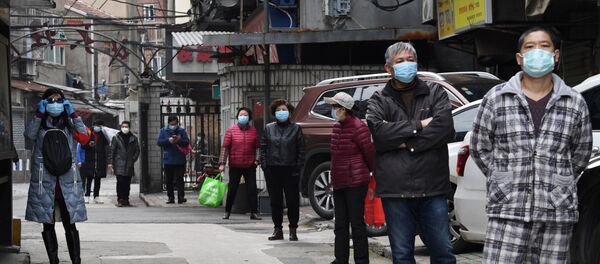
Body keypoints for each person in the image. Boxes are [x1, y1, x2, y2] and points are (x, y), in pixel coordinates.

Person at [471, 27, 593, 263]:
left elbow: (581, 154)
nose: (537, 51)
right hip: (508, 209)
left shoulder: (574, 101)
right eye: (530, 46)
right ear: (519, 58)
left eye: (544, 46)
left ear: (556, 55)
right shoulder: (497, 98)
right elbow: (480, 147)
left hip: (556, 211)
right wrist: (504, 177)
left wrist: (556, 179)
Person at [366, 42, 456, 263]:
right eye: (399, 61)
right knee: (402, 254)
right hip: (396, 191)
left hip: (432, 187)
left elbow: (444, 129)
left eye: (410, 60)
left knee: (443, 252)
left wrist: (406, 143)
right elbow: (379, 134)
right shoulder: (379, 99)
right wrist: (419, 125)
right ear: (388, 68)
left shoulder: (434, 92)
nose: (406, 65)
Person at [24, 88, 89, 264]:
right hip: (45, 182)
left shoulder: (68, 124)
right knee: (48, 223)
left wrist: (72, 112)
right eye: (50, 101)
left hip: (67, 182)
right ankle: (54, 261)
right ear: (44, 103)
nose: (55, 104)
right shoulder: (39, 125)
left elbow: (84, 136)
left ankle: (76, 260)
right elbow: (29, 135)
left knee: (70, 224)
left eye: (58, 100)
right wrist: (39, 113)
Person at [325, 92, 375, 264]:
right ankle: (341, 259)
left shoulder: (359, 126)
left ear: (343, 109)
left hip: (355, 181)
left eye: (334, 107)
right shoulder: (337, 127)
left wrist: (371, 172)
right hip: (339, 181)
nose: (332, 110)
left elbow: (369, 153)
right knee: (340, 224)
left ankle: (361, 260)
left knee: (357, 224)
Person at [260, 99, 305, 241]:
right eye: (278, 110)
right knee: (275, 201)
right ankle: (277, 229)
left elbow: (301, 150)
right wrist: (265, 166)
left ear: (289, 112)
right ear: (274, 113)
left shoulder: (296, 129)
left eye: (284, 110)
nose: (281, 112)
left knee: (292, 201)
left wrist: (298, 167)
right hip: (273, 170)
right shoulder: (268, 128)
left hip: (291, 170)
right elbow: (263, 148)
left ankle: (293, 230)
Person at [218, 107, 262, 220]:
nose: (243, 117)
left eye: (245, 115)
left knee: (252, 189)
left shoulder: (253, 131)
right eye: (241, 115)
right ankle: (227, 212)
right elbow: (225, 148)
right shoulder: (231, 130)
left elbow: (258, 148)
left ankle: (254, 212)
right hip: (235, 165)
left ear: (249, 118)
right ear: (237, 117)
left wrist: (257, 161)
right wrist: (222, 163)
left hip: (249, 165)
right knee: (232, 189)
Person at [157, 116, 190, 204]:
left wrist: (178, 140)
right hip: (168, 159)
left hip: (180, 158)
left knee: (180, 179)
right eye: (172, 124)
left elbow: (186, 142)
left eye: (175, 124)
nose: (173, 126)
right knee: (169, 180)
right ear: (168, 123)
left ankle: (181, 197)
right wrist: (168, 140)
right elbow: (159, 142)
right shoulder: (163, 131)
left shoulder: (181, 131)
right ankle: (170, 197)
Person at [109, 121, 140, 207]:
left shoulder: (134, 138)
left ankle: (126, 199)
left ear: (129, 128)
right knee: (120, 182)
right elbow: (112, 151)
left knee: (127, 183)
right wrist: (111, 163)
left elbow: (137, 150)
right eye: (123, 126)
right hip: (119, 163)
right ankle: (120, 199)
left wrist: (133, 159)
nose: (124, 128)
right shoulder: (116, 138)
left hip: (129, 164)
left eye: (126, 126)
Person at [80, 120, 110, 204]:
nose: (98, 128)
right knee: (89, 178)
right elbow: (82, 145)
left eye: (100, 126)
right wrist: (88, 144)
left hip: (99, 160)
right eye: (97, 126)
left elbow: (107, 143)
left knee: (98, 179)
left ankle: (96, 196)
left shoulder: (103, 135)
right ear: (93, 125)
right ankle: (87, 195)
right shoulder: (88, 133)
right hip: (90, 160)